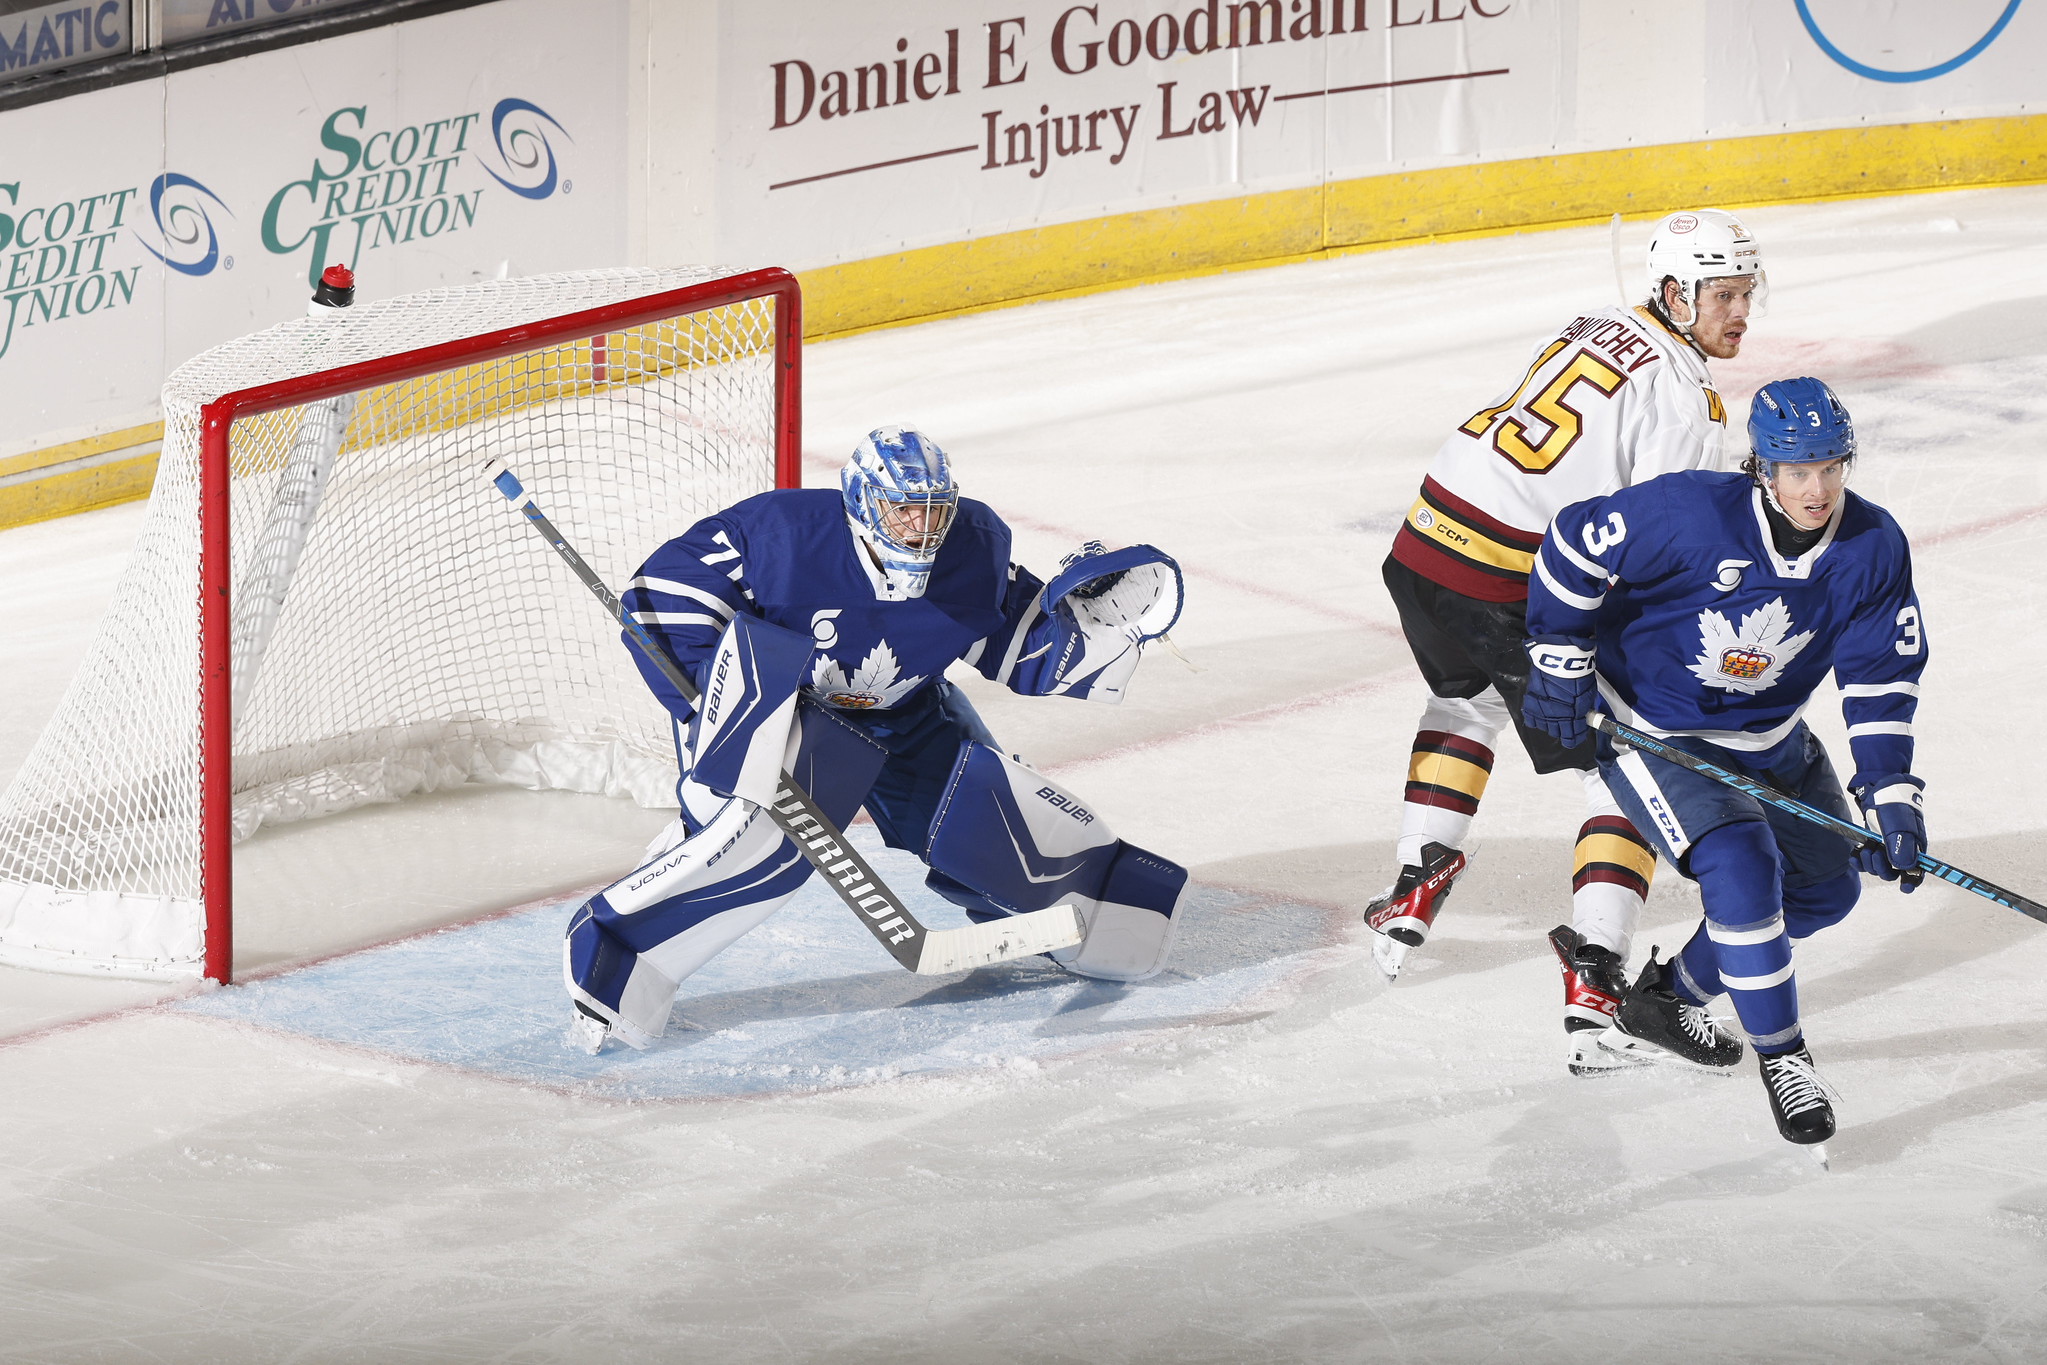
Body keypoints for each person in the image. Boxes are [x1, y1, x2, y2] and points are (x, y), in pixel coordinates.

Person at [563, 427, 1190, 1052]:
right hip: (784, 709)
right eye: (904, 509)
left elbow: (1021, 649)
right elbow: (661, 600)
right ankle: (616, 964)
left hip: (903, 710)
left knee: (984, 811)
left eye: (933, 510)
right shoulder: (780, 534)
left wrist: (1093, 627)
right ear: (865, 501)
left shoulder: (972, 548)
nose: (922, 528)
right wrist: (727, 711)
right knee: (746, 843)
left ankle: (1109, 913)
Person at [1368, 208, 1766, 1075]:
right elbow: (1658, 547)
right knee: (1624, 764)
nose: (1738, 313)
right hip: (1505, 579)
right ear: (1675, 293)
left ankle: (1414, 878)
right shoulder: (1686, 396)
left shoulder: (1601, 324)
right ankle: (1595, 984)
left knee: (1461, 701)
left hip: (1423, 539)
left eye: (1745, 294)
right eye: (1722, 296)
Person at [1521, 376, 1927, 1151]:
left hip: (1771, 736)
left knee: (1824, 891)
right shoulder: (1687, 514)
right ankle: (1785, 1058)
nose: (1816, 489)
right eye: (1796, 471)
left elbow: (1879, 678)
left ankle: (1665, 998)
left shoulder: (1872, 544)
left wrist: (1891, 796)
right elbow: (1571, 543)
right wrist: (1558, 664)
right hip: (1654, 727)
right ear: (1761, 470)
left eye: (1830, 468)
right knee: (1740, 865)